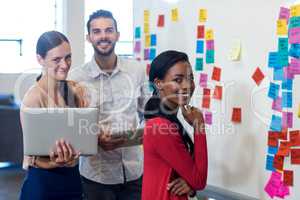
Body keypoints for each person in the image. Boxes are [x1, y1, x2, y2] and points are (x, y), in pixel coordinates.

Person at [68, 10, 148, 200]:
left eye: (108, 30)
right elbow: (71, 124)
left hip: (134, 171)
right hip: (97, 175)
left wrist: (140, 134)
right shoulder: (76, 78)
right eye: (97, 31)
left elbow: (148, 113)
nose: (103, 36)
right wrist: (94, 137)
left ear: (117, 35)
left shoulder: (136, 70)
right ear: (89, 37)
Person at [19, 31, 89, 200]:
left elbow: (84, 136)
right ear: (40, 59)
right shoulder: (33, 99)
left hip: (72, 180)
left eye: (68, 57)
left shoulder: (75, 90)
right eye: (56, 60)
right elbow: (30, 160)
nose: (65, 65)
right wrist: (55, 162)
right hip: (43, 185)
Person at [142, 50, 208, 200]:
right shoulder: (161, 127)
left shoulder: (168, 120)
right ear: (159, 83)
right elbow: (199, 180)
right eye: (178, 80)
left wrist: (190, 184)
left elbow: (192, 176)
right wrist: (199, 125)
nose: (187, 86)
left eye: (190, 78)